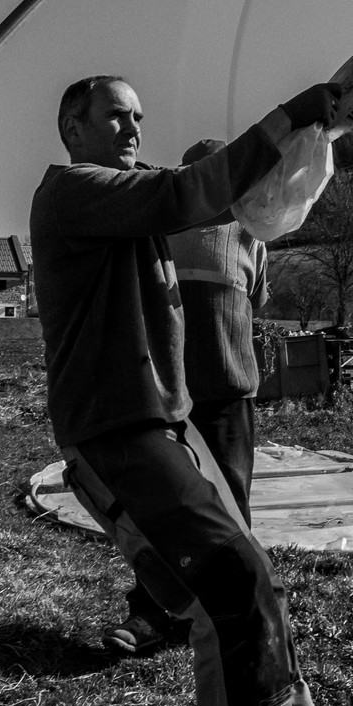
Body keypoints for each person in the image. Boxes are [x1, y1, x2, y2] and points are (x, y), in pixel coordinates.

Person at [31, 74, 353, 706]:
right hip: (117, 433)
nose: (132, 127)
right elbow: (192, 190)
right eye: (114, 115)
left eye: (138, 116)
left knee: (255, 582)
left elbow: (236, 199)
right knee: (229, 588)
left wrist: (324, 135)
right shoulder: (73, 192)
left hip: (168, 424)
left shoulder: (129, 202)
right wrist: (290, 114)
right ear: (73, 128)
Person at [102, 137, 269, 659]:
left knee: (230, 504)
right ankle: (152, 612)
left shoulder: (250, 232)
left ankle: (231, 610)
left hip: (230, 387)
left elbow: (256, 300)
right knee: (166, 504)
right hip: (168, 393)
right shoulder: (160, 227)